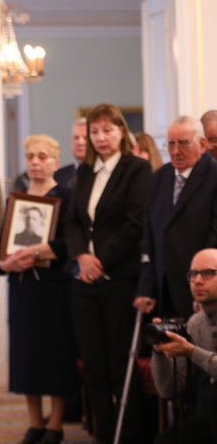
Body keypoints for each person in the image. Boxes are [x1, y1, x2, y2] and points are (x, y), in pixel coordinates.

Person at [65, 103, 152, 444]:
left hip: (120, 279)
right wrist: (82, 257)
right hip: (85, 281)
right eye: (95, 131)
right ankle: (104, 433)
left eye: (108, 130)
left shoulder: (137, 169)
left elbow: (135, 223)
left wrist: (98, 259)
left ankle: (128, 435)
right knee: (93, 365)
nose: (101, 138)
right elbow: (73, 222)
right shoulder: (84, 172)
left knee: (120, 366)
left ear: (121, 132)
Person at [0, 135, 76, 444]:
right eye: (30, 156)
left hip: (55, 288)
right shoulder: (16, 199)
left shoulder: (68, 196)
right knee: (27, 355)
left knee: (56, 354)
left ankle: (55, 424)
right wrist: (6, 262)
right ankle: (34, 423)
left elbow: (72, 242)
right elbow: (4, 243)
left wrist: (39, 252)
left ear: (56, 163)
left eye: (43, 157)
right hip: (23, 287)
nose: (35, 161)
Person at [134, 116, 217, 320]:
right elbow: (150, 235)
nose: (175, 151)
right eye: (170, 144)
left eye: (183, 144)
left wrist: (204, 283)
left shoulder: (214, 176)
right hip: (165, 290)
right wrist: (147, 286)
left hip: (202, 290)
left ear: (202, 144)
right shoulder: (159, 178)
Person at [149, 248, 217, 443]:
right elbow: (167, 389)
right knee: (165, 440)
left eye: (208, 273)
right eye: (193, 274)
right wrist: (160, 352)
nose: (197, 280)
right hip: (210, 418)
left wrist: (192, 352)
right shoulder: (196, 323)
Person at [54, 118, 88, 188]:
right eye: (76, 138)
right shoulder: (58, 175)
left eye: (85, 138)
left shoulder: (100, 174)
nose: (80, 142)